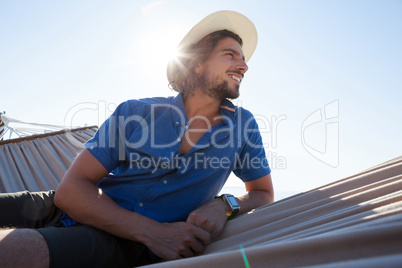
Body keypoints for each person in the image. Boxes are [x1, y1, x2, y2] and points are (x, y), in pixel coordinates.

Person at [0, 10, 274, 267]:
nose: (244, 66)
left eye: (244, 58)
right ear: (198, 64)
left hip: (122, 241)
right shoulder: (136, 112)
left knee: (15, 251)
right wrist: (155, 233)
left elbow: (263, 193)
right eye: (231, 55)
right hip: (59, 207)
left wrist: (225, 204)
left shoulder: (243, 126)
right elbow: (71, 191)